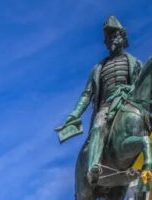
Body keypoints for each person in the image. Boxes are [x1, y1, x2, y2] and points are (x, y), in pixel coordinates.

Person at [57, 16, 142, 185]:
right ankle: (94, 166)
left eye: (115, 35)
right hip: (107, 107)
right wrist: (74, 114)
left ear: (123, 38)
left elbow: (141, 87)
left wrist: (131, 90)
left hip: (129, 104)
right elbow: (86, 94)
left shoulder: (135, 63)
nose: (111, 39)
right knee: (98, 126)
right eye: (108, 37)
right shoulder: (99, 68)